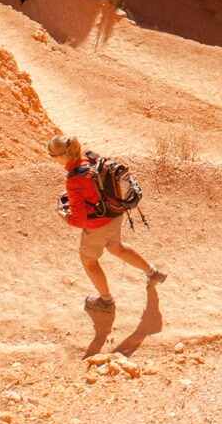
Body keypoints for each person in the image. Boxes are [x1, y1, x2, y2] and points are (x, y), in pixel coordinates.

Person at [48, 134, 163, 313]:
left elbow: (79, 219)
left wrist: (65, 215)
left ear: (62, 156)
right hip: (115, 214)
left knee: (89, 260)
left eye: (53, 156)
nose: (53, 159)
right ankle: (152, 273)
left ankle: (106, 301)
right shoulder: (92, 158)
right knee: (117, 248)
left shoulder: (74, 179)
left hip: (97, 226)